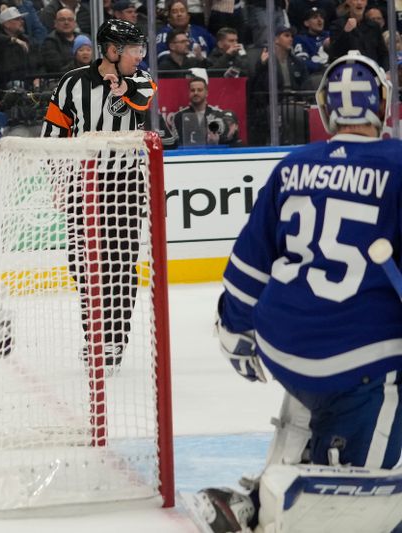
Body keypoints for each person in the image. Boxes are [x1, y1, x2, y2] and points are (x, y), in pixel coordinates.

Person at [196, 51, 402, 533]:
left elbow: (249, 260)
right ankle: (315, 506)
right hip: (364, 357)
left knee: (323, 397)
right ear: (384, 105)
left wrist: (235, 326)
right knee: (370, 505)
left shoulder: (294, 165)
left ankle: (265, 492)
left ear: (325, 109)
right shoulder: (397, 165)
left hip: (283, 345)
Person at [41, 18, 156, 371]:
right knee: (83, 265)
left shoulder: (140, 79)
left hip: (124, 184)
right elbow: (53, 133)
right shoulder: (72, 82)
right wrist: (58, 179)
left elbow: (141, 102)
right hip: (83, 184)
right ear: (112, 50)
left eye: (140, 49)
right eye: (133, 50)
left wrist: (121, 88)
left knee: (120, 264)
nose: (139, 55)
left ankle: (114, 338)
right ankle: (95, 333)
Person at [172, 75, 239, 146]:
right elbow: (176, 144)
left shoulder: (219, 114)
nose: (196, 93)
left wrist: (216, 143)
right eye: (192, 90)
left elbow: (228, 141)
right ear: (189, 93)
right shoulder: (178, 117)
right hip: (187, 155)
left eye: (199, 90)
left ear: (206, 93)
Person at [328, 0, 388, 68]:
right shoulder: (337, 25)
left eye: (362, 0)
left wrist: (386, 71)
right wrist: (346, 32)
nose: (359, 2)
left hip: (372, 72)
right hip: (347, 72)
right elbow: (334, 53)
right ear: (349, 2)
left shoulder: (374, 27)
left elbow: (383, 54)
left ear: (366, 3)